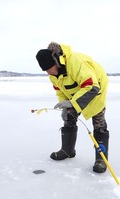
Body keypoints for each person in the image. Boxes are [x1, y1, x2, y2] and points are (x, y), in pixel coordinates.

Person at [36, 42, 109, 173]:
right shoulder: (53, 75)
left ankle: (101, 159)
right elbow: (61, 91)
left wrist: (72, 103)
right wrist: (66, 106)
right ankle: (67, 150)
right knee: (69, 117)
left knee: (99, 124)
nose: (49, 73)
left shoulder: (76, 62)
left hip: (96, 90)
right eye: (45, 71)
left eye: (49, 69)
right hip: (76, 92)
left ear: (56, 62)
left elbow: (92, 87)